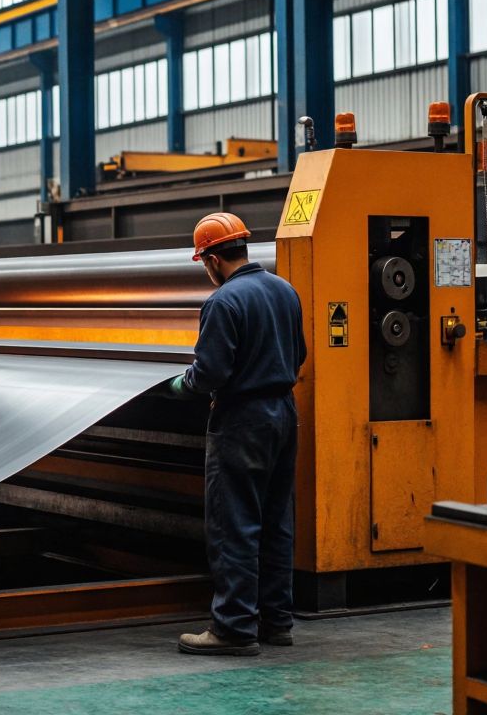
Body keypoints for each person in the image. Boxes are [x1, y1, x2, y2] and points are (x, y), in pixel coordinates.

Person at [164, 213, 307, 656]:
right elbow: (298, 354)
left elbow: (210, 373)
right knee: (276, 522)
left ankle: (233, 628)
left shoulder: (223, 302)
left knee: (235, 523)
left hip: (243, 419)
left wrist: (179, 385)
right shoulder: (286, 290)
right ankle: (276, 622)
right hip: (284, 412)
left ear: (210, 258)